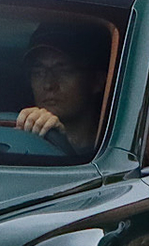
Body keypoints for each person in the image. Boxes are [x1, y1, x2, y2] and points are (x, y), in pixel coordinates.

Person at [12, 26, 108, 156]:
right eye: (38, 72)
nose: (48, 84)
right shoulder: (18, 145)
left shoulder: (109, 154)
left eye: (63, 71)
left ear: (97, 81)